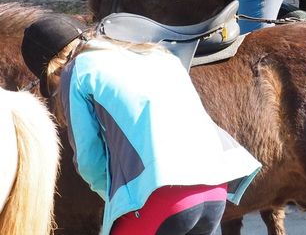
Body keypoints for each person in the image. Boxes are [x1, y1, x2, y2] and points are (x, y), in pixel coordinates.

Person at [21, 14, 261, 235]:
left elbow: (90, 160)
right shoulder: (154, 53)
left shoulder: (78, 70)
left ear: (55, 63)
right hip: (215, 189)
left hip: (163, 199)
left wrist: (122, 197)